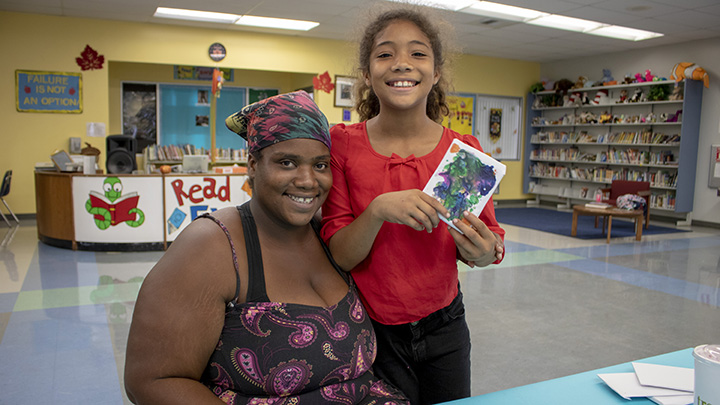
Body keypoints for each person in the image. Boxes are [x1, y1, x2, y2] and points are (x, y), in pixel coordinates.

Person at [124, 91, 409, 405]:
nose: (307, 180)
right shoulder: (211, 245)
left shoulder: (330, 236)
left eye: (320, 165)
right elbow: (152, 381)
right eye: (286, 162)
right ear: (252, 164)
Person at [320, 6, 506, 404]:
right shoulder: (343, 145)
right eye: (385, 53)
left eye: (418, 53)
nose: (401, 63)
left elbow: (491, 241)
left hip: (446, 327)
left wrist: (486, 250)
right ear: (367, 74)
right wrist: (377, 211)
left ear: (436, 72)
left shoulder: (464, 152)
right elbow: (340, 254)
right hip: (369, 330)